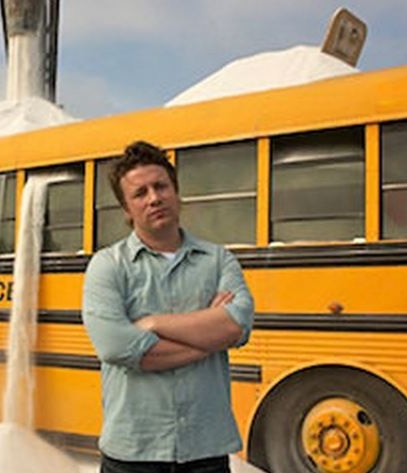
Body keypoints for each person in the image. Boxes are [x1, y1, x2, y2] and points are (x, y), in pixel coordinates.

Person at [82, 140, 254, 473]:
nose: (154, 198)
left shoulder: (218, 260)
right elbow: (117, 346)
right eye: (140, 193)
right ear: (126, 209)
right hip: (134, 453)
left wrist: (153, 323)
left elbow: (237, 324)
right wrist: (209, 338)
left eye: (161, 186)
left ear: (176, 193)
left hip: (205, 451)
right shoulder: (108, 266)